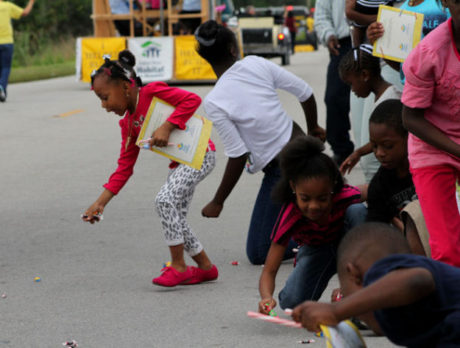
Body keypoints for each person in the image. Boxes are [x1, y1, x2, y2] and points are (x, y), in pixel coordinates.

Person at [195, 20, 326, 265]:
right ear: (234, 49)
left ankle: (322, 236)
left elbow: (237, 154)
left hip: (282, 169)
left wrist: (218, 201)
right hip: (303, 151)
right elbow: (305, 93)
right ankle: (315, 223)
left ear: (203, 57)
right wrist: (313, 129)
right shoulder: (255, 63)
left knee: (258, 252)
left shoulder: (214, 101)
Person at [83, 50, 218, 287]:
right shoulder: (127, 125)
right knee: (176, 216)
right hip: (180, 163)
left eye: (105, 97)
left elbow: (192, 100)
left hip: (200, 154)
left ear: (125, 87)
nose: (104, 106)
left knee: (164, 201)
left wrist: (168, 126)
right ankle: (206, 268)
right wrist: (100, 202)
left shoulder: (152, 92)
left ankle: (178, 266)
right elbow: (124, 168)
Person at [292, 222, 460, 347]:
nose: (355, 313)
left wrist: (337, 310)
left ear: (355, 274)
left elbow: (417, 281)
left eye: (348, 296)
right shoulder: (406, 320)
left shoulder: (381, 271)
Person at [258, 136, 367, 313]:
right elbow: (269, 271)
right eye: (305, 198)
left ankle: (359, 283)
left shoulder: (344, 196)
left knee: (358, 210)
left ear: (332, 187)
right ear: (293, 187)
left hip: (348, 247)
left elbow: (375, 190)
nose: (314, 206)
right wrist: (266, 297)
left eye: (322, 198)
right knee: (292, 303)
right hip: (317, 250)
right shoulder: (290, 215)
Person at [401, 0, 460, 267]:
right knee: (448, 248)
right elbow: (410, 118)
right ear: (445, 2)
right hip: (433, 150)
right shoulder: (428, 52)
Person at [338, 44, 401, 182]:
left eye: (351, 84)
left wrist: (359, 153)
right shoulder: (382, 96)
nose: (352, 90)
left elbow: (386, 140)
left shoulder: (389, 100)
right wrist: (358, 153)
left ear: (365, 75)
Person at [314, 0, 354, 166]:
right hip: (342, 44)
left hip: (372, 36)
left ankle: (381, 146)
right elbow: (321, 15)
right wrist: (328, 34)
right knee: (334, 98)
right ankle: (341, 149)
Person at [366, 100, 416, 229]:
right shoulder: (379, 185)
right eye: (374, 146)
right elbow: (376, 230)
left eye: (388, 146)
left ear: (408, 137)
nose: (379, 153)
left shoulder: (426, 168)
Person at [0, 0, 35, 102]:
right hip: (7, 42)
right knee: (6, 67)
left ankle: (3, 93)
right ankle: (1, 87)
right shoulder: (7, 6)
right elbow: (25, 12)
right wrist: (31, 2)